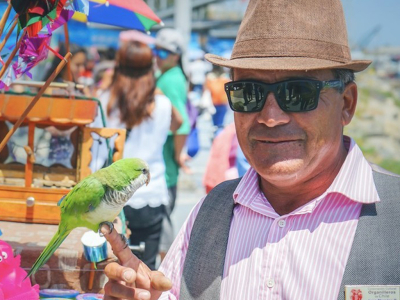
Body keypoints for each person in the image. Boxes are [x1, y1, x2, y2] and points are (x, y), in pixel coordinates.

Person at [102, 0, 400, 299]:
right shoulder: (209, 213)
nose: (271, 117)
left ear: (346, 104)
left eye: (297, 93)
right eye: (248, 93)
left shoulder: (393, 218)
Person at [93, 40, 182, 270]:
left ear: (119, 65)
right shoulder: (161, 103)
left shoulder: (105, 100)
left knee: (109, 267)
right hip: (149, 192)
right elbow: (179, 123)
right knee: (146, 268)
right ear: (151, 67)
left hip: (111, 198)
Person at [153, 28, 191, 257]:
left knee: (162, 230)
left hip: (166, 168)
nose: (157, 55)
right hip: (165, 166)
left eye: (163, 52)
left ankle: (166, 281)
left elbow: (182, 125)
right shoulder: (170, 76)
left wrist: (177, 156)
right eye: (155, 50)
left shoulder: (171, 79)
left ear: (176, 55)